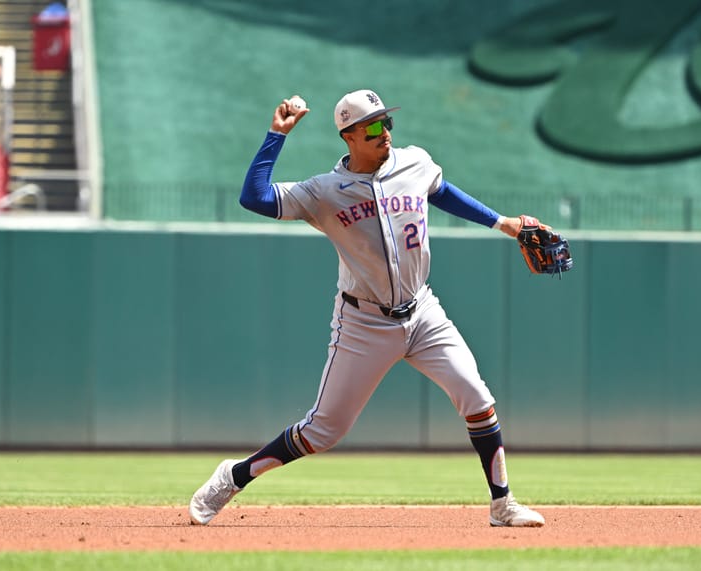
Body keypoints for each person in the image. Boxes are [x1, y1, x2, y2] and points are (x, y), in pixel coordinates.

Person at [189, 89, 547, 528]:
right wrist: (275, 136)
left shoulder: (414, 162)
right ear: (350, 135)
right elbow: (255, 197)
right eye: (374, 127)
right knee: (322, 432)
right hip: (363, 323)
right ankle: (233, 476)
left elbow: (443, 191)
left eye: (387, 123)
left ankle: (502, 504)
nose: (386, 134)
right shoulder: (323, 192)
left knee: (477, 397)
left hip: (423, 313)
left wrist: (503, 224)